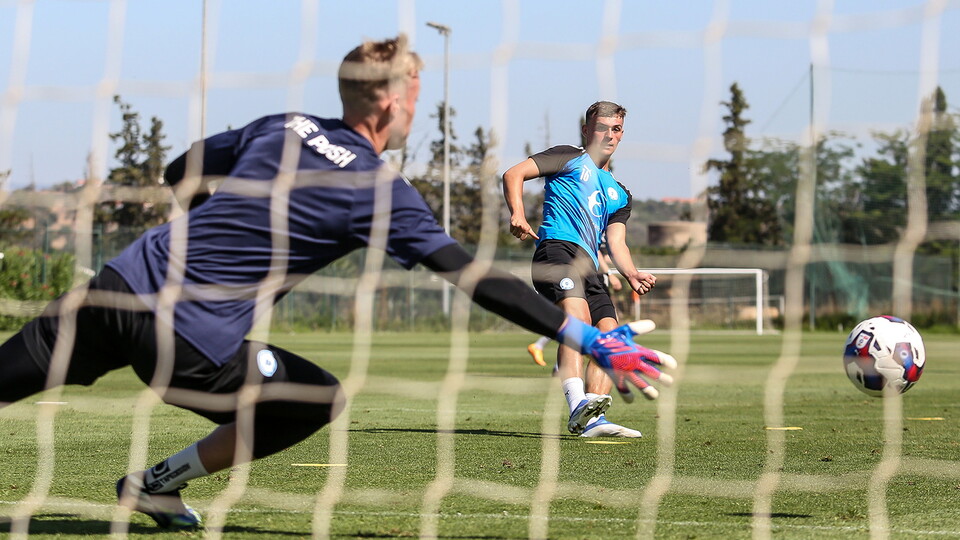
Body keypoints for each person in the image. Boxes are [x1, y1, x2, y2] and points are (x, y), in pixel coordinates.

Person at [0, 36, 673, 530]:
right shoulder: (382, 190)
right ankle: (156, 485)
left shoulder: (283, 124)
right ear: (387, 102)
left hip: (116, 287)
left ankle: (155, 491)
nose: (416, 107)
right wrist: (589, 337)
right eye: (413, 94)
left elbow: (184, 169)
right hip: (188, 335)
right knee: (313, 398)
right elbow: (472, 279)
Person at [503, 101, 670, 438]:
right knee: (577, 320)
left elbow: (617, 243)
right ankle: (576, 402)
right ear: (586, 131)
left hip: (591, 267)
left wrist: (632, 273)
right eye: (601, 128)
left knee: (610, 338)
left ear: (622, 134)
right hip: (556, 251)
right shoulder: (567, 157)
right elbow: (513, 173)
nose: (609, 135)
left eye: (616, 129)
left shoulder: (620, 194)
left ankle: (592, 418)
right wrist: (517, 214)